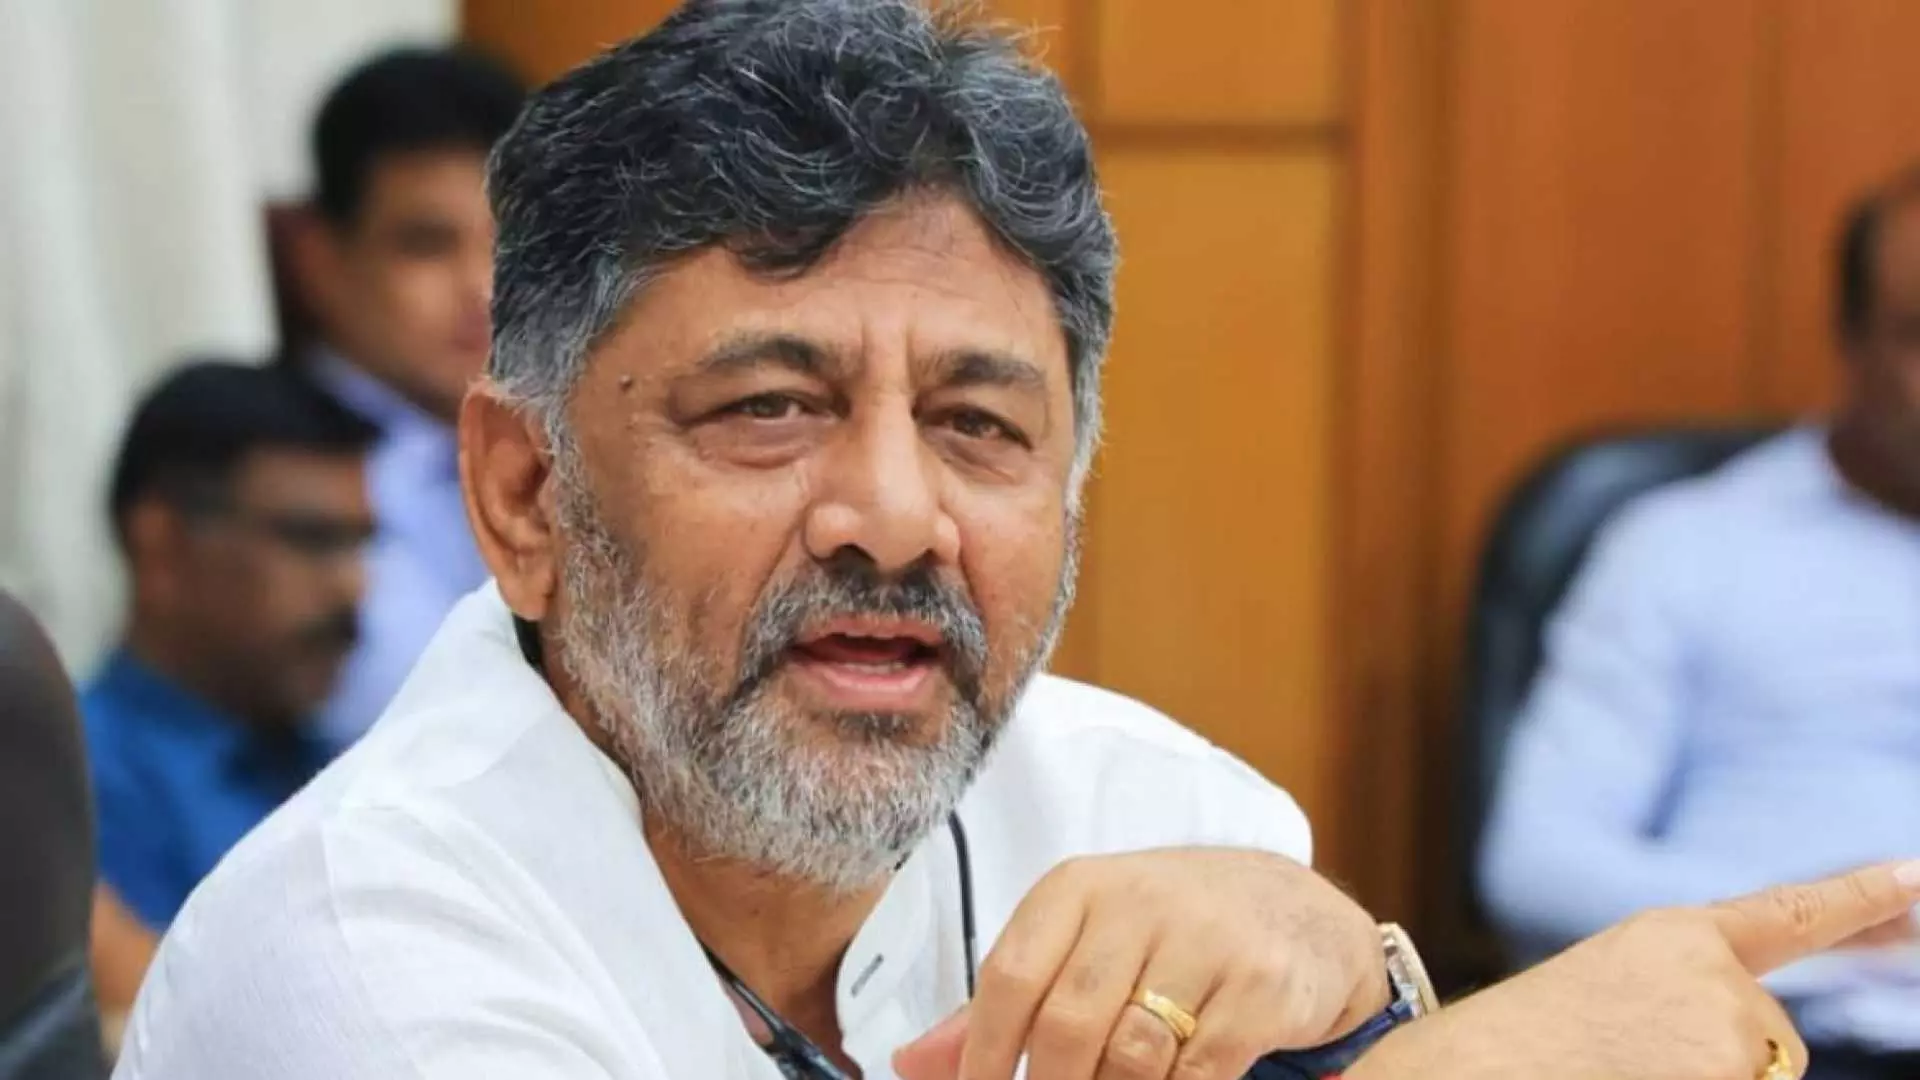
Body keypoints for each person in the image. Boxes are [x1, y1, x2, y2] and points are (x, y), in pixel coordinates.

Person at [112, 5, 1919, 1079]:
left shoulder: (1161, 817)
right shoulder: (356, 956)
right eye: (771, 407)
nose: (897, 517)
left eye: (980, 426)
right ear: (525, 498)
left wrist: (1367, 990)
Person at [1478, 166, 1920, 1080]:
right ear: (1850, 341)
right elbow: (1533, 862)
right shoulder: (1686, 547)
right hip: (1778, 1038)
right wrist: (1819, 920)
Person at [82, 361, 376, 1017]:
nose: (352, 586)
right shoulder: (60, 784)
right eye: (310, 539)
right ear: (162, 545)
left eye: (361, 544)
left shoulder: (358, 771)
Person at [285, 46, 525, 748]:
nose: (481, 287)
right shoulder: (266, 474)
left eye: (509, 242)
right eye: (427, 245)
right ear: (320, 258)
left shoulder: (569, 443)